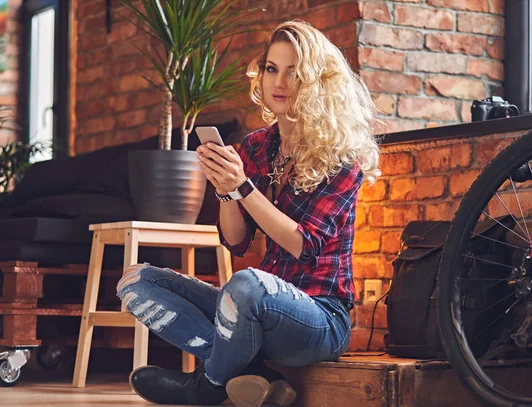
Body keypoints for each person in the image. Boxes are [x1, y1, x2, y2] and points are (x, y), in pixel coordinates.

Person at [117, 20, 381, 407]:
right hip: (254, 306)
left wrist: (244, 188)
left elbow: (303, 246)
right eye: (272, 69)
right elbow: (237, 241)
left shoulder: (343, 156)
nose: (280, 82)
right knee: (137, 281)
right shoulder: (258, 146)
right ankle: (258, 379)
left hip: (319, 319)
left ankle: (207, 387)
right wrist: (226, 191)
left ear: (316, 80)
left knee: (245, 285)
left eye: (294, 72)